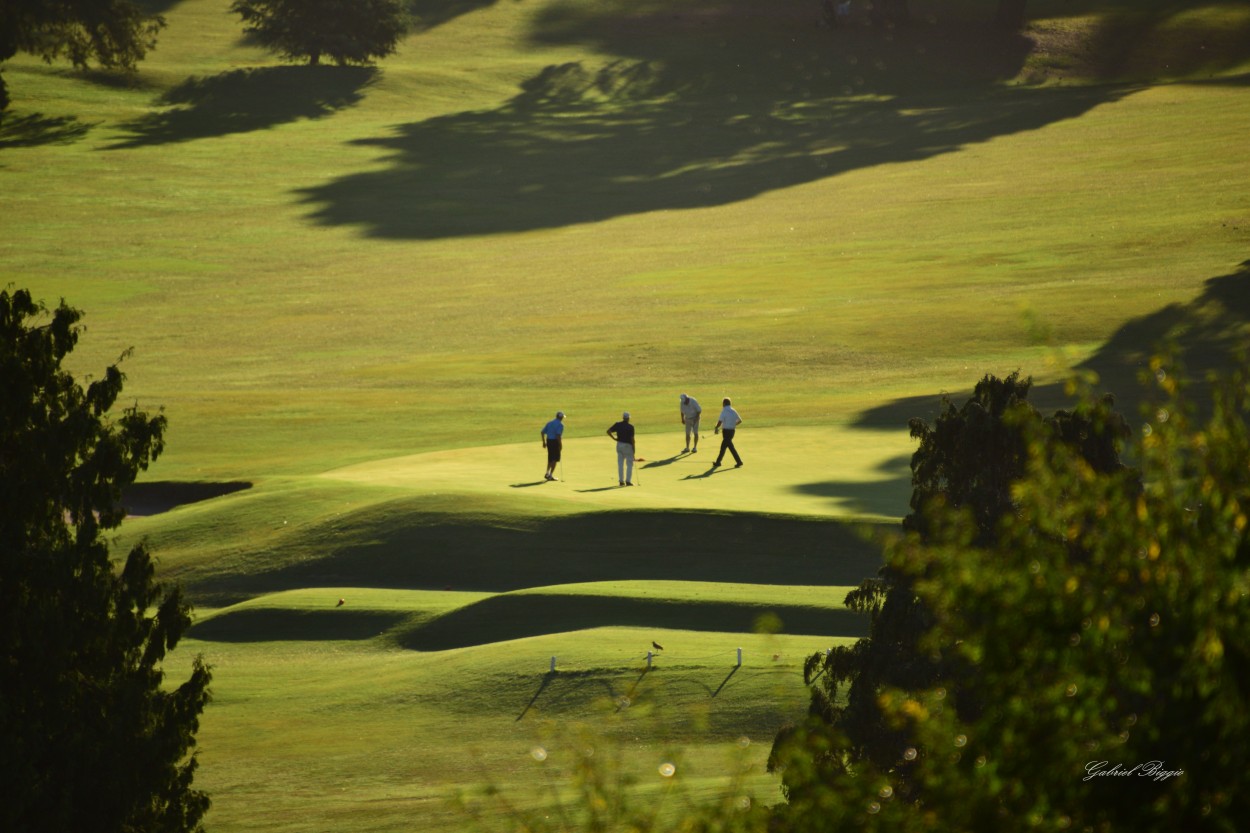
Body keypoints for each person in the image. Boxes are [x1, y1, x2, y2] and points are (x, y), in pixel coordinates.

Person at [606, 411, 636, 486]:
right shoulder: (631, 427)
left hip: (619, 445)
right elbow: (632, 439)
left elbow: (608, 431)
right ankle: (628, 481)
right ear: (628, 418)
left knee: (620, 464)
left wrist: (614, 438)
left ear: (623, 417)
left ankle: (621, 481)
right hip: (628, 446)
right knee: (629, 464)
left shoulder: (618, 424)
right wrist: (634, 449)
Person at [712, 397, 743, 468]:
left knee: (728, 447)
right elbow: (740, 420)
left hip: (726, 432)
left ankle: (739, 461)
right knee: (725, 447)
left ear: (724, 403)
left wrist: (716, 427)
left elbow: (720, 421)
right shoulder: (733, 410)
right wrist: (733, 424)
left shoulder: (724, 411)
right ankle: (718, 462)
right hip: (732, 431)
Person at [541, 411, 565, 481]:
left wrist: (544, 442)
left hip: (549, 441)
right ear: (561, 418)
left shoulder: (550, 423)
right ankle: (550, 475)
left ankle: (547, 473)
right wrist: (560, 445)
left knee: (550, 458)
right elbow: (558, 436)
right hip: (555, 442)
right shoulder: (560, 425)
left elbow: (542, 432)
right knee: (555, 459)